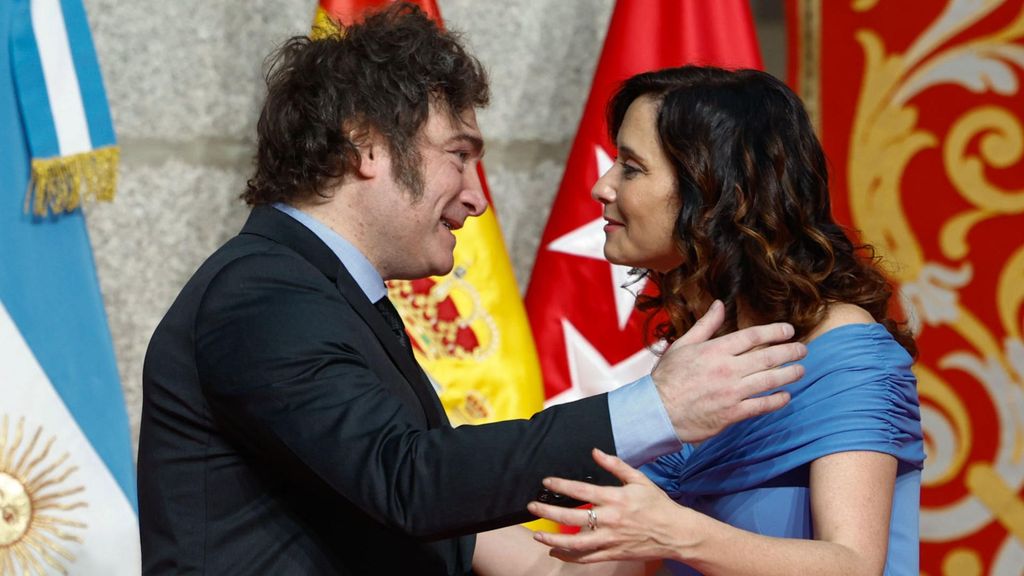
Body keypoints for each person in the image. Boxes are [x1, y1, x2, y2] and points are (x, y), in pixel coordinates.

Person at [135, 6, 808, 575]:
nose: (475, 199)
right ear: (365, 148)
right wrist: (653, 409)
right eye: (458, 155)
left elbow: (431, 516)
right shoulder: (266, 294)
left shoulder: (321, 291)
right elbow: (410, 482)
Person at [472, 66, 924, 575]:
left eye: (631, 167)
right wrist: (403, 484)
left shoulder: (842, 347)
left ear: (714, 192)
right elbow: (563, 573)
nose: (602, 186)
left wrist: (678, 534)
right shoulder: (702, 358)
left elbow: (854, 565)